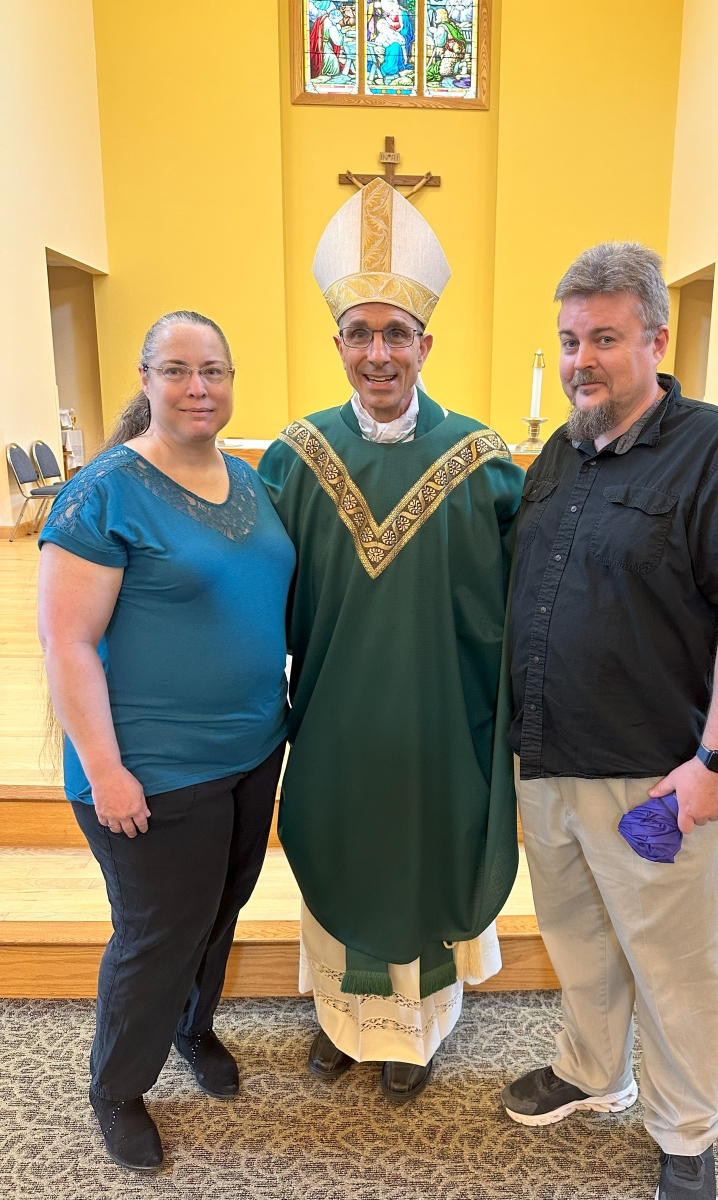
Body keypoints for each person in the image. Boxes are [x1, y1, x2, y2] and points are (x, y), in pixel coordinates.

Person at [501, 243, 718, 1200]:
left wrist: (717, 761)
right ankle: (595, 1073)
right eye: (568, 340)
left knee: (671, 966)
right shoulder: (560, 450)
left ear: (655, 339)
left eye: (604, 338)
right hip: (548, 762)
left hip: (654, 774)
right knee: (580, 941)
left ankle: (686, 1130)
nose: (582, 359)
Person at [258, 179, 523, 1103]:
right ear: (337, 344)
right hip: (333, 716)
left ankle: (412, 1039)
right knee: (339, 850)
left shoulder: (485, 463)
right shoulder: (293, 457)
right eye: (360, 334)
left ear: (425, 343)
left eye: (395, 333)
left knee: (424, 857)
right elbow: (254, 594)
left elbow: (522, 600)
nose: (379, 353)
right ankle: (342, 1024)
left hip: (442, 721)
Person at [38, 311, 296, 1172]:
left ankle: (194, 1029)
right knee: (157, 932)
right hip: (150, 767)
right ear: (146, 380)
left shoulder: (252, 481)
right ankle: (116, 1084)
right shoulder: (104, 490)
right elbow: (67, 643)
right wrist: (107, 772)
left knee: (219, 910)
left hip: (253, 749)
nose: (199, 388)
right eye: (179, 371)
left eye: (214, 371)